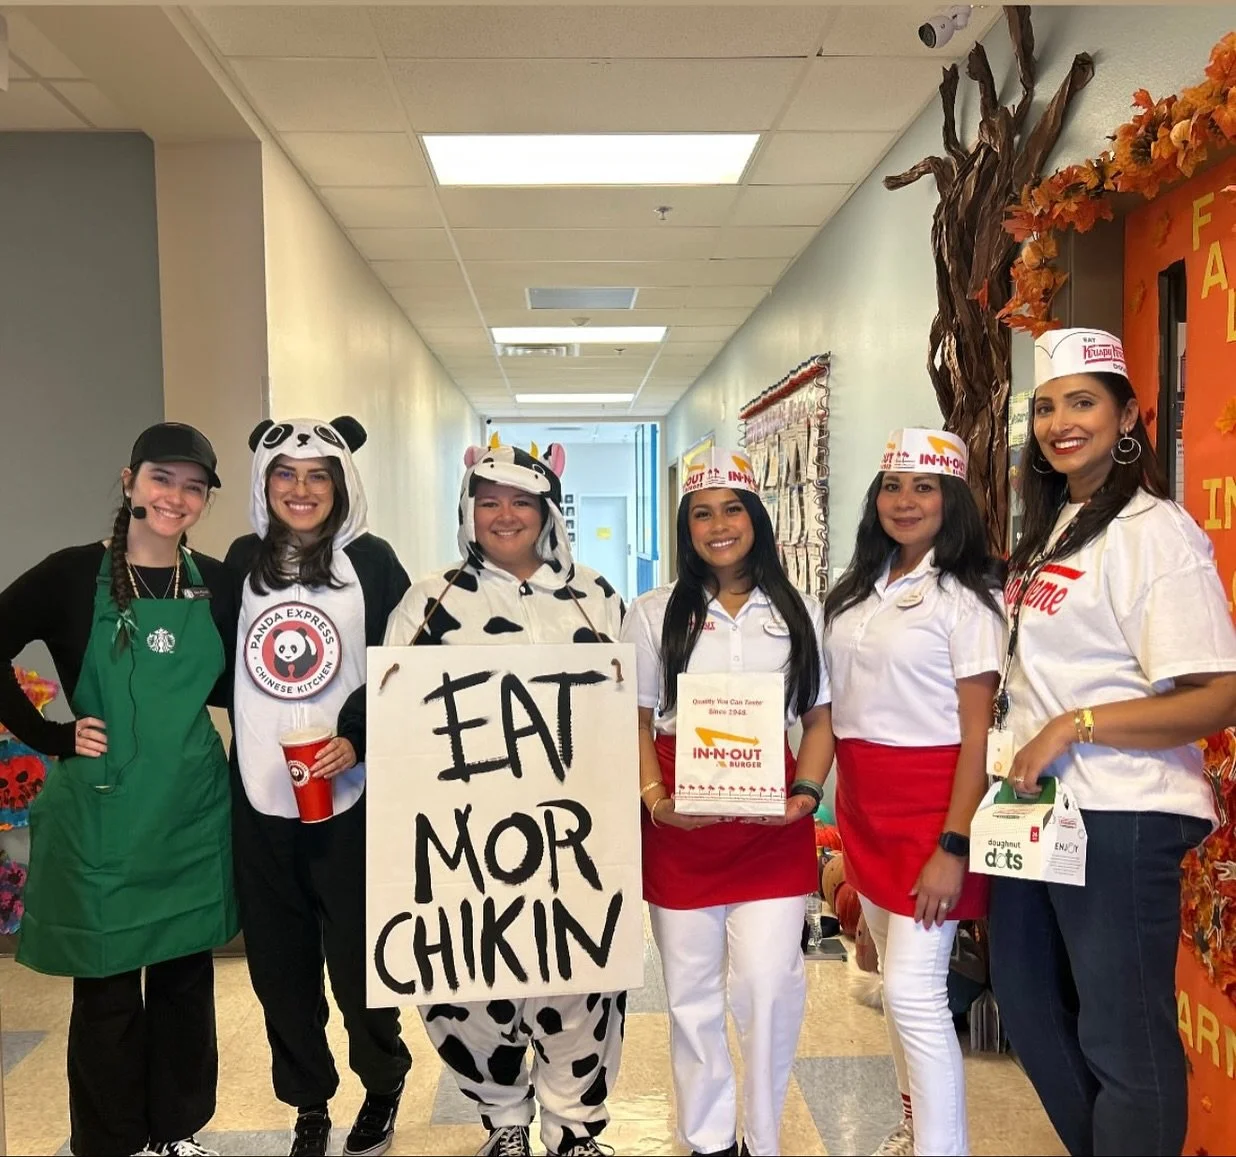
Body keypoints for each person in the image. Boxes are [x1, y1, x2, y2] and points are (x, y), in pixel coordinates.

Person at [989, 328, 1236, 1156]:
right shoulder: (1059, 524)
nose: (1061, 421)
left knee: (1124, 1041)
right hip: (1042, 815)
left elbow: (1220, 693)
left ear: (1127, 414)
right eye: (1048, 406)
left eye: (1083, 402)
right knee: (1027, 1008)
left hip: (1123, 815)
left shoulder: (1154, 532)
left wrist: (1075, 723)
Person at [383, 440, 626, 1157]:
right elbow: (395, 713)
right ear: (469, 510)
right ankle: (505, 1121)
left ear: (547, 510)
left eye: (521, 499)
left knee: (578, 982)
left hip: (571, 840)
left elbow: (629, 710)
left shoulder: (595, 596)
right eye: (488, 500)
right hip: (462, 841)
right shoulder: (430, 602)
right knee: (468, 987)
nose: (505, 514)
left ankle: (575, 1129)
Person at [0, 423, 237, 1157]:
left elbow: (251, 679)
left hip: (189, 810)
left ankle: (176, 1131)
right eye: (163, 479)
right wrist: (50, 734)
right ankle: (110, 1142)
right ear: (130, 480)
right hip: (105, 811)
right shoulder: (73, 575)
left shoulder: (218, 581)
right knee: (106, 991)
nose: (177, 497)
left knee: (184, 984)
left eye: (193, 486)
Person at [621, 448, 831, 1157]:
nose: (718, 525)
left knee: (769, 987)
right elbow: (637, 720)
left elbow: (821, 717)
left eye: (731, 508)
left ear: (757, 518)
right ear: (686, 527)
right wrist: (655, 799)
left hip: (773, 821)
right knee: (690, 996)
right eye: (701, 513)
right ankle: (708, 1139)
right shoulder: (653, 613)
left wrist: (808, 790)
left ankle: (762, 1137)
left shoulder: (800, 609)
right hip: (682, 821)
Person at [225, 417, 412, 1157]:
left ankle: (383, 1081)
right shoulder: (239, 561)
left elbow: (398, 659)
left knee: (361, 958)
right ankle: (308, 1100)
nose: (301, 490)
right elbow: (217, 663)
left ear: (341, 484)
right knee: (279, 963)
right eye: (285, 474)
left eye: (318, 475)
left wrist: (358, 735)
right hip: (262, 794)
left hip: (351, 796)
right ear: (264, 483)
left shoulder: (372, 560)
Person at [823, 428, 1004, 1157]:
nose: (904, 500)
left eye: (923, 486)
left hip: (933, 813)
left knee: (913, 994)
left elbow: (979, 736)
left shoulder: (969, 598)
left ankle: (942, 1147)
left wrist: (953, 845)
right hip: (865, 809)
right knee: (898, 997)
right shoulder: (859, 586)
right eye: (892, 485)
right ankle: (912, 1124)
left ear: (952, 499)